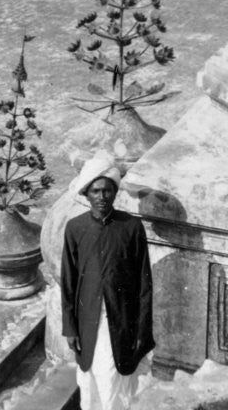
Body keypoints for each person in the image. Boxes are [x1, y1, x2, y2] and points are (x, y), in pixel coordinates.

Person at [61, 153, 154, 410]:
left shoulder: (131, 228)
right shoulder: (75, 228)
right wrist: (70, 327)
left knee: (117, 385)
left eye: (107, 191)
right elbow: (68, 282)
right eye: (96, 191)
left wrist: (142, 331)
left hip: (121, 321)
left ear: (115, 193)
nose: (102, 197)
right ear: (86, 193)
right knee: (90, 386)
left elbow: (144, 285)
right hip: (87, 322)